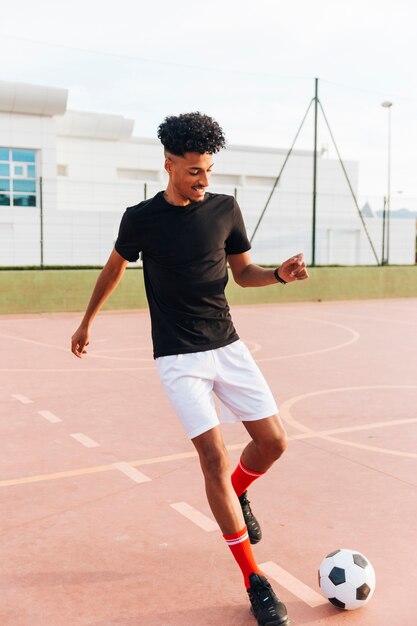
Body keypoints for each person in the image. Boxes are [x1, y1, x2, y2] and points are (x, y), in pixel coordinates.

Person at [71, 112, 308, 626]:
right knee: (212, 460)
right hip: (178, 357)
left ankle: (239, 491)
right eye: (194, 171)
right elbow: (114, 268)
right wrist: (87, 322)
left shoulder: (225, 209)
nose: (204, 180)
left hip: (227, 346)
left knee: (274, 443)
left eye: (208, 170)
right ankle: (254, 579)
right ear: (169, 164)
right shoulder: (140, 219)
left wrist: (280, 276)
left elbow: (243, 273)